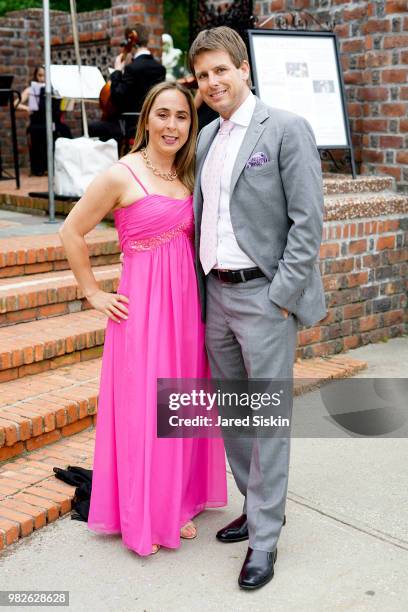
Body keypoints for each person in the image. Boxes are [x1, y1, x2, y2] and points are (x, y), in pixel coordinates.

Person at [58, 81, 227, 556]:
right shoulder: (121, 174)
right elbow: (71, 231)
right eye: (164, 115)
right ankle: (145, 511)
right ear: (146, 119)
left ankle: (176, 501)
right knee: (143, 411)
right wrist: (92, 292)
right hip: (141, 312)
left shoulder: (190, 176)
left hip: (186, 311)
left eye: (182, 118)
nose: (172, 125)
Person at [189, 27, 326, 589]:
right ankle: (257, 504)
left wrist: (280, 297)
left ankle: (265, 541)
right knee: (234, 415)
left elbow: (307, 223)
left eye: (221, 69)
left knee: (267, 422)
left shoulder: (286, 129)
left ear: (244, 68)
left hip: (263, 296)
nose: (213, 82)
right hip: (215, 293)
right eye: (203, 76)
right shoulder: (205, 139)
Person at [89, 24, 166, 144]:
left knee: (92, 127)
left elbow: (117, 97)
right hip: (151, 126)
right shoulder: (160, 69)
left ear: (132, 43)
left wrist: (117, 71)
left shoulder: (131, 69)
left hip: (129, 127)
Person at [15, 65, 71, 176]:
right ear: (36, 76)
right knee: (38, 131)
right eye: (40, 75)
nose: (42, 78)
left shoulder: (56, 89)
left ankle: (61, 165)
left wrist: (66, 103)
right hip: (38, 123)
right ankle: (39, 167)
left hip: (54, 123)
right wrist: (27, 108)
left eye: (45, 76)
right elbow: (15, 103)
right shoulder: (32, 89)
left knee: (65, 130)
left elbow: (65, 107)